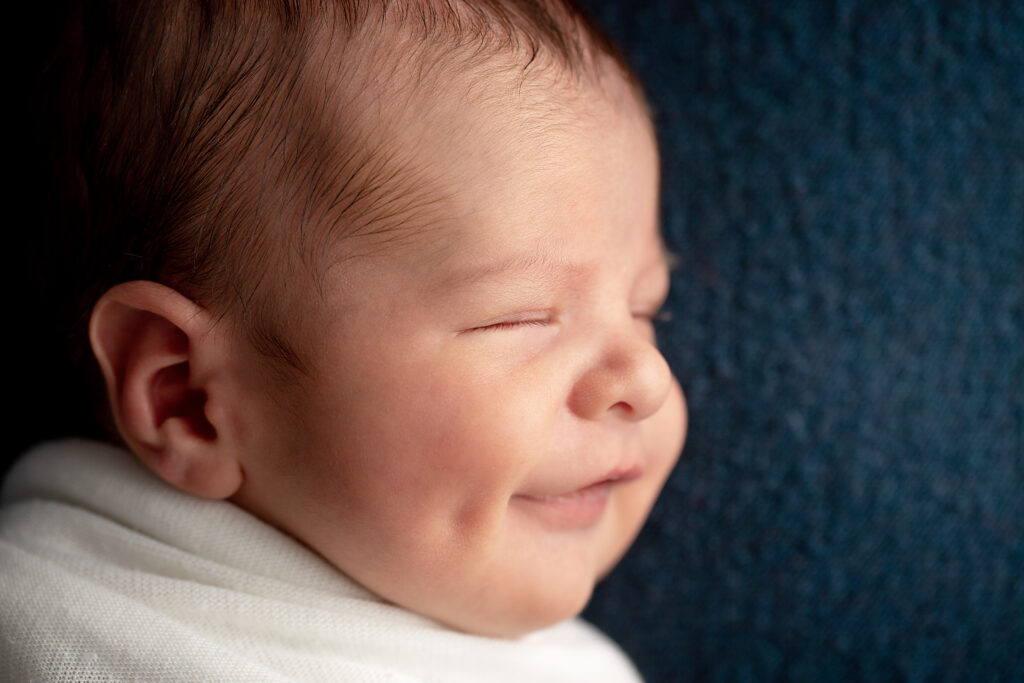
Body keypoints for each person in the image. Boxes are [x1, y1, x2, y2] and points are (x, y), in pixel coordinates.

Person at [0, 0, 687, 679]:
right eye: (519, 317)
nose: (647, 376)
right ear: (188, 398)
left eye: (646, 308)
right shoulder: (48, 616)